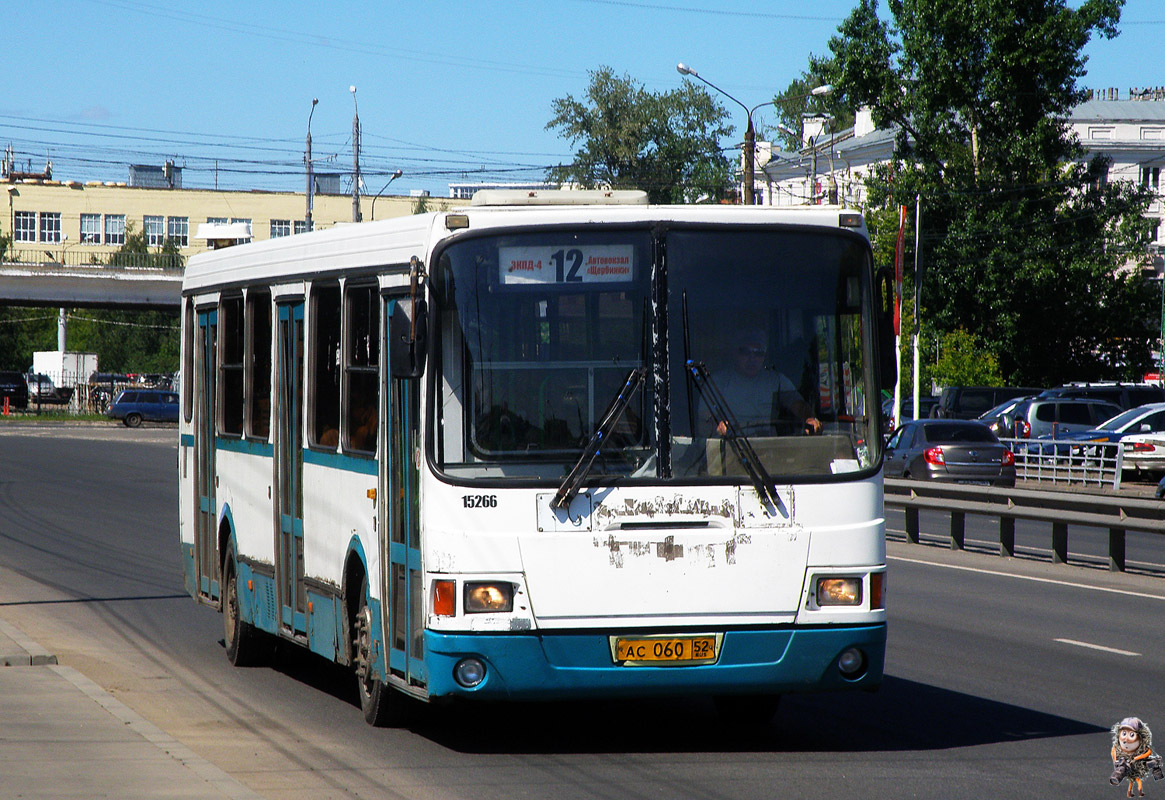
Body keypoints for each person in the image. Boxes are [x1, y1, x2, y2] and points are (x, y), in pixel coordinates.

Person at [704, 328, 821, 437]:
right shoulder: (718, 382)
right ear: (735, 353)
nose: (752, 358)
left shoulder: (776, 380)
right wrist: (717, 426)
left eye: (758, 352)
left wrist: (809, 418)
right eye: (745, 352)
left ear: (764, 355)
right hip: (731, 446)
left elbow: (799, 405)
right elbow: (704, 419)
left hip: (769, 448)